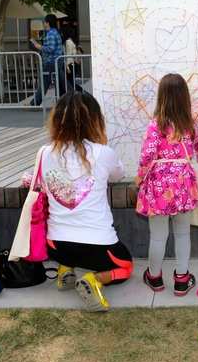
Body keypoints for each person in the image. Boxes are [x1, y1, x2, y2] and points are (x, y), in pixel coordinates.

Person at [41, 92, 132, 311]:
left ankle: (65, 271)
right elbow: (118, 175)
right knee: (126, 266)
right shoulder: (103, 153)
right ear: (94, 121)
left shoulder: (44, 152)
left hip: (55, 246)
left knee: (68, 245)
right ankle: (95, 280)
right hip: (98, 249)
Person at [135, 74, 198, 296]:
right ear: (185, 97)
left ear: (161, 97)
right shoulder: (190, 125)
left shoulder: (155, 125)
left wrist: (139, 177)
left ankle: (155, 278)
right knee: (183, 233)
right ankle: (182, 280)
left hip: (158, 186)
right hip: (183, 185)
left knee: (158, 236)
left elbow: (147, 156)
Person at [30, 14, 64, 105]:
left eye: (44, 22)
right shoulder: (54, 32)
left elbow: (51, 48)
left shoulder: (51, 34)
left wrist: (39, 46)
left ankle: (35, 103)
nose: (43, 24)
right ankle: (62, 102)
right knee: (61, 82)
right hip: (56, 61)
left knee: (45, 82)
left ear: (47, 23)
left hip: (51, 61)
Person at [60, 25, 83, 95]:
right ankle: (79, 93)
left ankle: (80, 92)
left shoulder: (68, 42)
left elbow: (68, 56)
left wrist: (67, 67)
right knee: (69, 82)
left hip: (70, 65)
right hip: (72, 65)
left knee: (68, 83)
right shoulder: (71, 41)